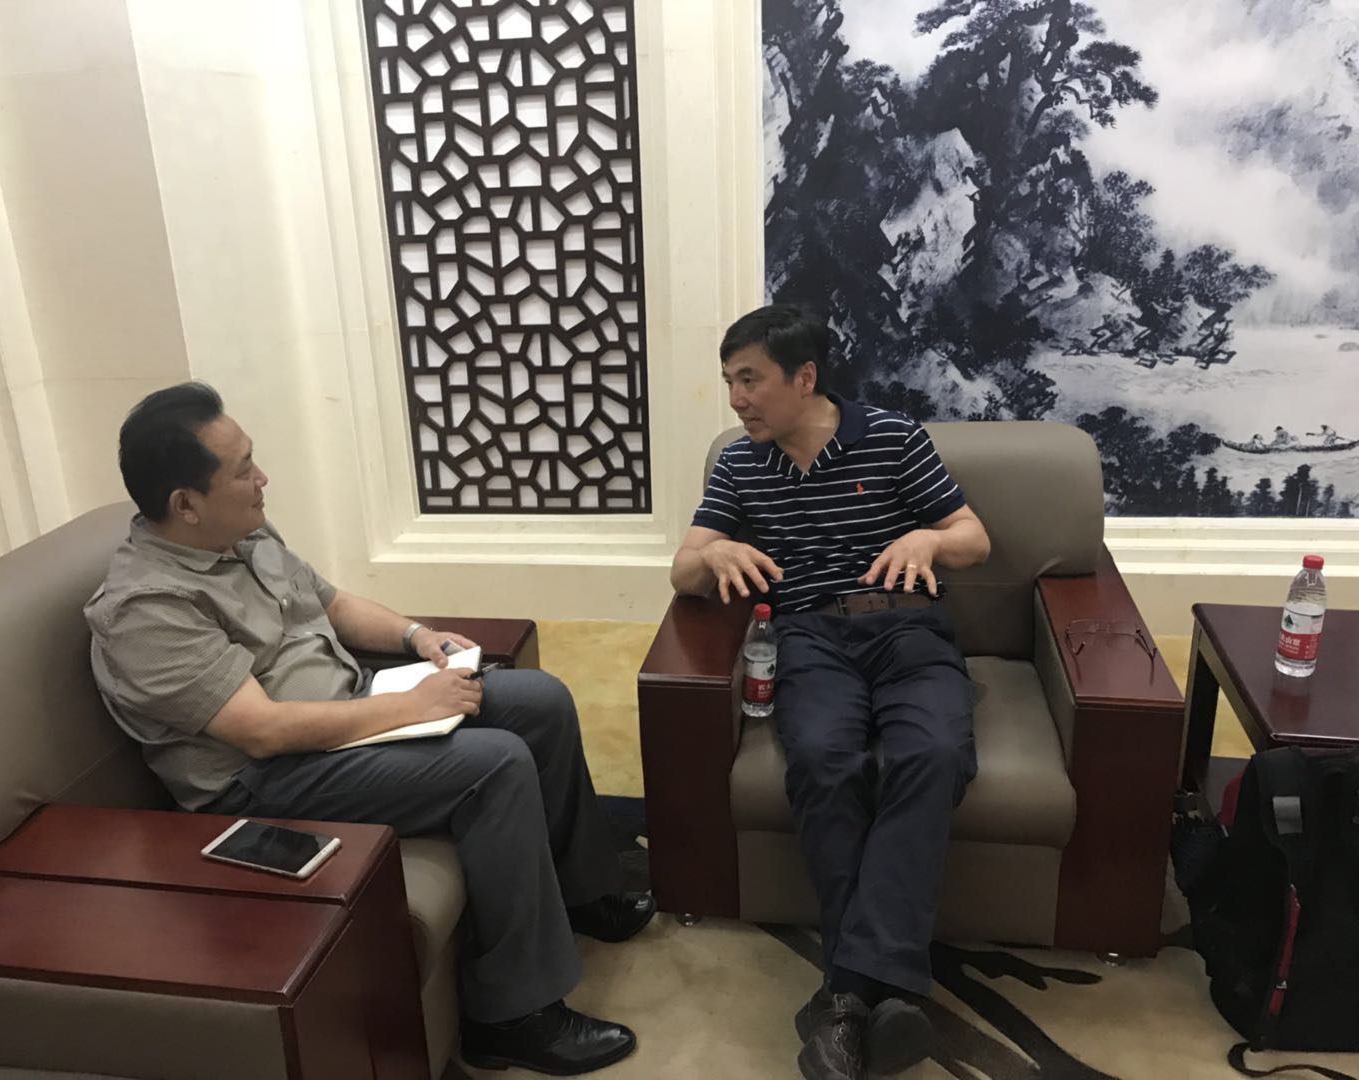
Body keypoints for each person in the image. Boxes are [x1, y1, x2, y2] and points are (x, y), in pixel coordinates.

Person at [85, 383, 652, 1076]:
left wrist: (418, 638)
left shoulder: (240, 533)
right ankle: (511, 1017)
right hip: (262, 783)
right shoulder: (147, 608)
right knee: (495, 764)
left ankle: (579, 894)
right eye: (243, 469)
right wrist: (412, 707)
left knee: (541, 700)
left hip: (347, 705)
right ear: (185, 503)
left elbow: (331, 603)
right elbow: (260, 732)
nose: (263, 479)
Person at [669, 306, 991, 1080]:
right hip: (810, 636)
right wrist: (716, 556)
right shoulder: (741, 465)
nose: (737, 399)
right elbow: (683, 568)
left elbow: (974, 539)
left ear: (804, 377)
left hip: (908, 626)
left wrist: (930, 538)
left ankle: (845, 996)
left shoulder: (892, 437)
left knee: (934, 753)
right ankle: (887, 992)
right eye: (729, 381)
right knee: (820, 760)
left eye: (751, 380)